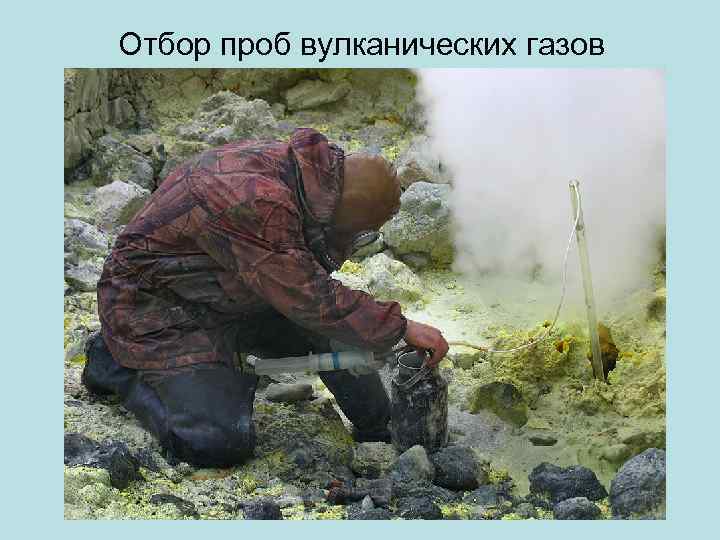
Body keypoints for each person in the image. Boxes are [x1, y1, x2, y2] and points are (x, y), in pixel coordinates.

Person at [82, 127, 449, 468]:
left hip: (225, 289)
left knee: (340, 331)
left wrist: (378, 334)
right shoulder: (258, 202)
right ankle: (115, 365)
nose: (352, 245)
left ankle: (379, 427)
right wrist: (399, 327)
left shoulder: (307, 176)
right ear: (342, 212)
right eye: (357, 234)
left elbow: (306, 286)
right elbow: (309, 296)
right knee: (217, 442)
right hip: (154, 310)